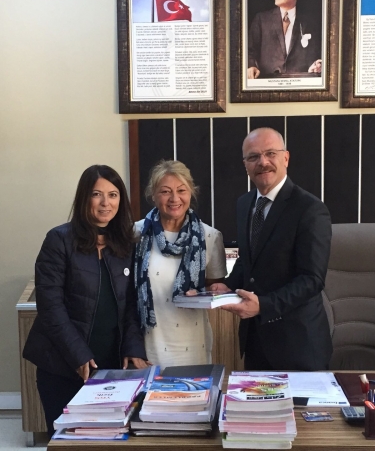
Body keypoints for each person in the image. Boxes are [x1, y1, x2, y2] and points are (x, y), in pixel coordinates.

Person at [23, 165, 148, 437]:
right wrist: (79, 355)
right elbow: (51, 308)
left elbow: (131, 304)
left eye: (113, 195)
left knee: (111, 440)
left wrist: (133, 347)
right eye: (97, 194)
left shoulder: (126, 243)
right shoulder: (59, 240)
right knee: (69, 440)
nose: (106, 203)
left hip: (111, 369)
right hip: (63, 367)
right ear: (84, 197)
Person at [211, 128, 332, 370]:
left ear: (285, 158)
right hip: (255, 341)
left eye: (270, 153)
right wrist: (229, 286)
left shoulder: (310, 209)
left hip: (298, 345)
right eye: (253, 157)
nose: (263, 162)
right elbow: (249, 259)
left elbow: (312, 280)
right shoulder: (244, 204)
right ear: (245, 164)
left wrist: (264, 306)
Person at [134, 159, 227, 367]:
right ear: (153, 195)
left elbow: (214, 287)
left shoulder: (210, 236)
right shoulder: (136, 234)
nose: (174, 198)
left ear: (191, 192)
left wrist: (210, 292)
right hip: (147, 346)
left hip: (193, 344)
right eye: (165, 191)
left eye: (181, 190)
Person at [247, 0, 322, 79]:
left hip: (299, 82)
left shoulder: (310, 23)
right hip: (267, 81)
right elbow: (249, 50)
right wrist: (251, 66)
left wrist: (315, 66)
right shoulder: (261, 19)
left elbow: (316, 54)